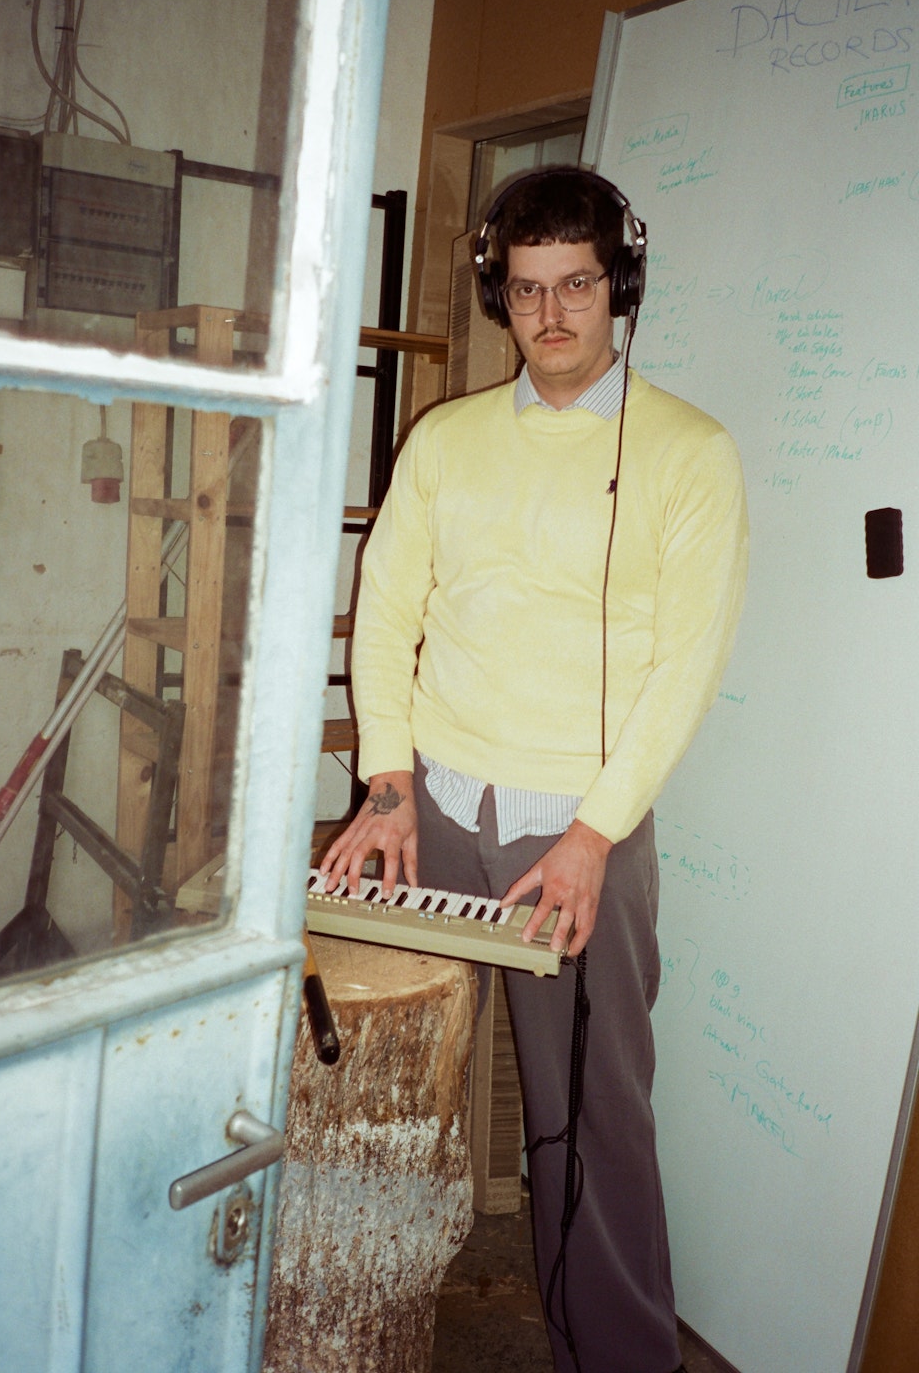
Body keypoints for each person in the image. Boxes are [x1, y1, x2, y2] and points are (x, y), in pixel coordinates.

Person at [320, 166, 748, 1373]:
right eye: (526, 289)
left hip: (579, 835)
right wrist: (387, 783)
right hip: (433, 809)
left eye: (577, 285)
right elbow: (388, 607)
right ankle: (366, 1319)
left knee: (592, 1121)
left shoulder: (691, 453)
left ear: (622, 286)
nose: (551, 314)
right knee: (381, 1074)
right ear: (496, 295)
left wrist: (597, 831)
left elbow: (685, 667)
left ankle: (616, 1355)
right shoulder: (446, 440)